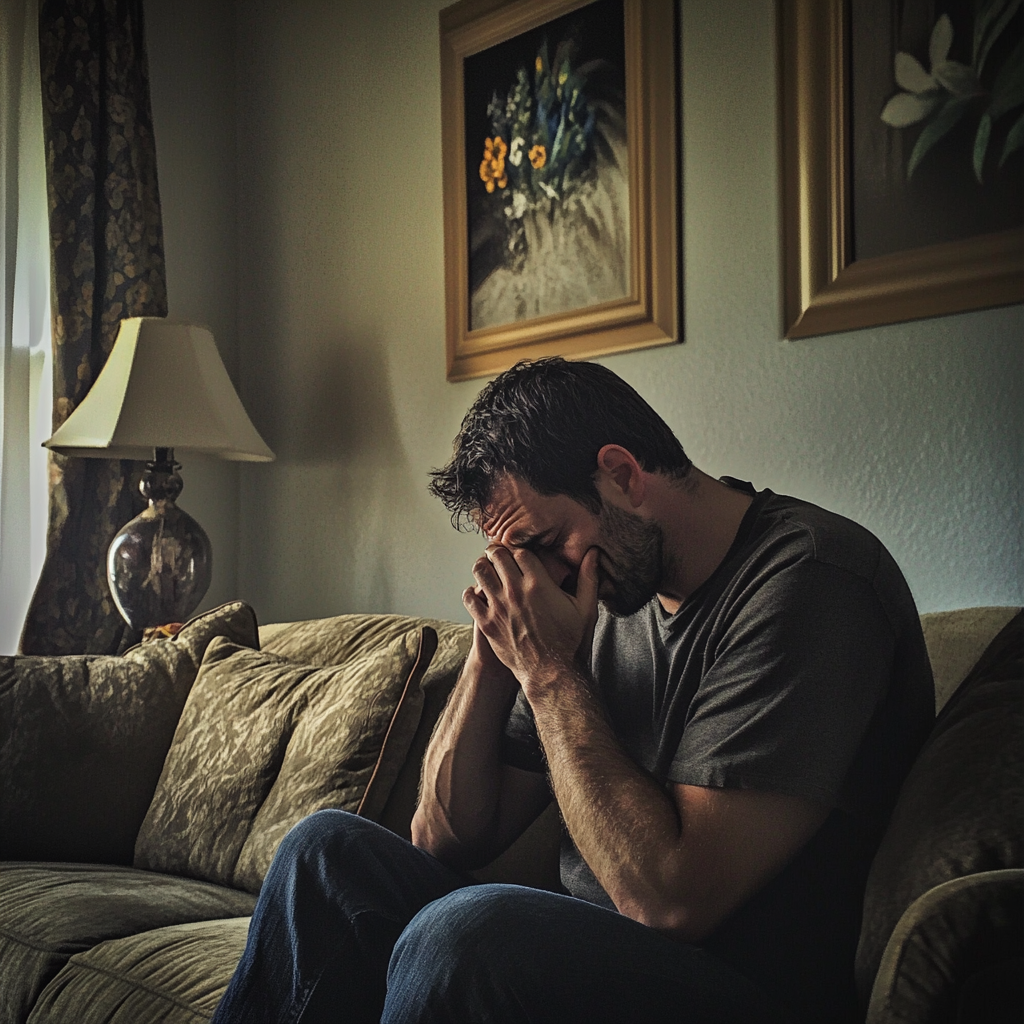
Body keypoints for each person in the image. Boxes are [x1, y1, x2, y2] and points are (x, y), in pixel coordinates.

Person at [213, 357, 934, 1024]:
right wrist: (496, 653)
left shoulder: (811, 581)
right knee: (324, 851)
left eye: (544, 542)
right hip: (591, 952)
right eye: (512, 558)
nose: (541, 579)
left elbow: (671, 901)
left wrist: (552, 672)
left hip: (743, 984)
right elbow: (446, 836)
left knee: (467, 933)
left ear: (621, 474)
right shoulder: (602, 601)